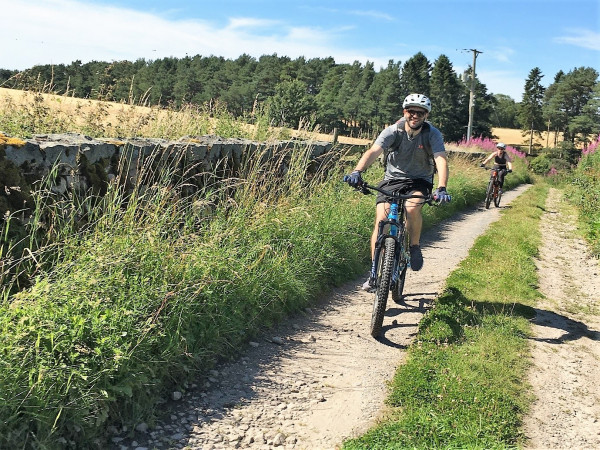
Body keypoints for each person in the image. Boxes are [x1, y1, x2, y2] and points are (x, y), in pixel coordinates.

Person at [343, 93, 451, 291]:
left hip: (420, 181)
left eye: (420, 112)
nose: (415, 115)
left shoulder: (432, 134)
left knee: (412, 208)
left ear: (426, 115)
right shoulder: (393, 131)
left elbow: (440, 159)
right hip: (392, 180)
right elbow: (374, 151)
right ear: (404, 112)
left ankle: (414, 246)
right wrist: (357, 171)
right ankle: (374, 273)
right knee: (381, 221)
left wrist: (441, 187)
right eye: (411, 111)